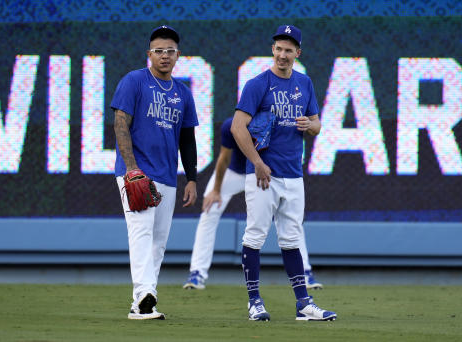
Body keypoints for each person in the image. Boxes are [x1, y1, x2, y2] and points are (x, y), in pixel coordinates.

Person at [230, 24, 336, 321]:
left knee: (291, 239)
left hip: (293, 174)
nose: (283, 54)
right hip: (264, 174)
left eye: (289, 49)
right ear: (272, 50)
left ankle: (304, 304)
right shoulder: (257, 84)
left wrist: (310, 125)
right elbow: (238, 127)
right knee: (256, 235)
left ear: (297, 53)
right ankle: (254, 302)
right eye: (278, 48)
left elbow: (317, 124)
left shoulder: (305, 83)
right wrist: (258, 163)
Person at [111, 25, 199, 320]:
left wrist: (192, 178)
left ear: (178, 55)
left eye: (170, 51)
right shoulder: (134, 81)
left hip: (167, 176)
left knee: (159, 240)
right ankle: (143, 296)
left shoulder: (183, 93)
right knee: (141, 231)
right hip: (136, 174)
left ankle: (146, 296)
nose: (165, 56)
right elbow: (120, 123)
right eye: (159, 51)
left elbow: (187, 139)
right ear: (149, 54)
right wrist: (131, 169)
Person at [183, 117, 324, 290]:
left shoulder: (277, 122)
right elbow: (224, 159)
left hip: (265, 173)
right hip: (236, 172)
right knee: (209, 211)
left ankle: (305, 272)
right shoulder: (231, 125)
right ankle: (197, 273)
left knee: (291, 219)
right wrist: (216, 190)